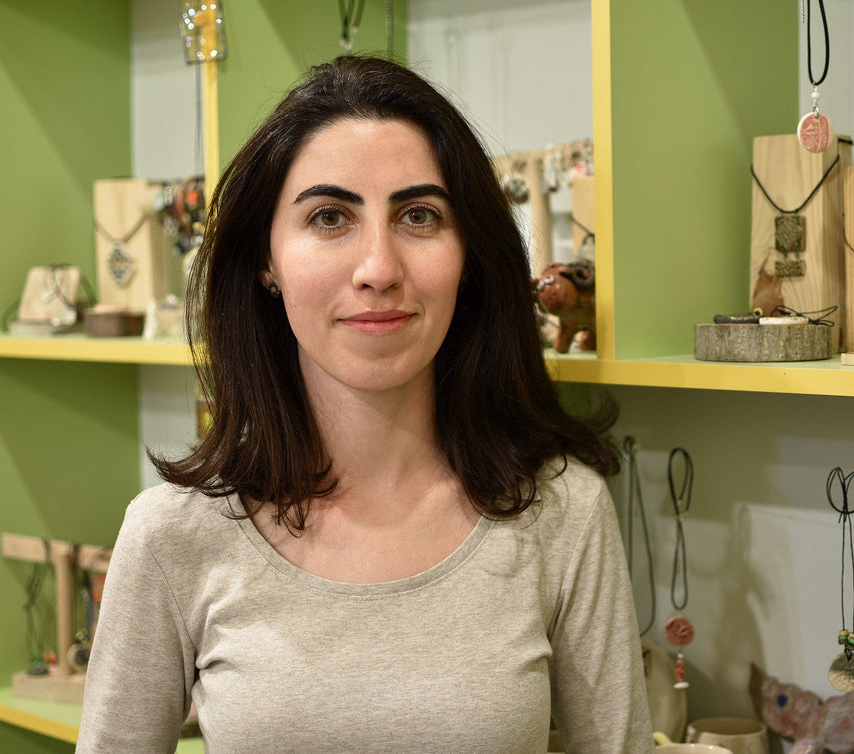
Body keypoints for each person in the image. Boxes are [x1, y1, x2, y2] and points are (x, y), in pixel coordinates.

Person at [76, 54, 653, 753]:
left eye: (418, 215)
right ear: (266, 260)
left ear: (468, 253)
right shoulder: (172, 536)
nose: (379, 268)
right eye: (328, 217)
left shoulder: (564, 514)